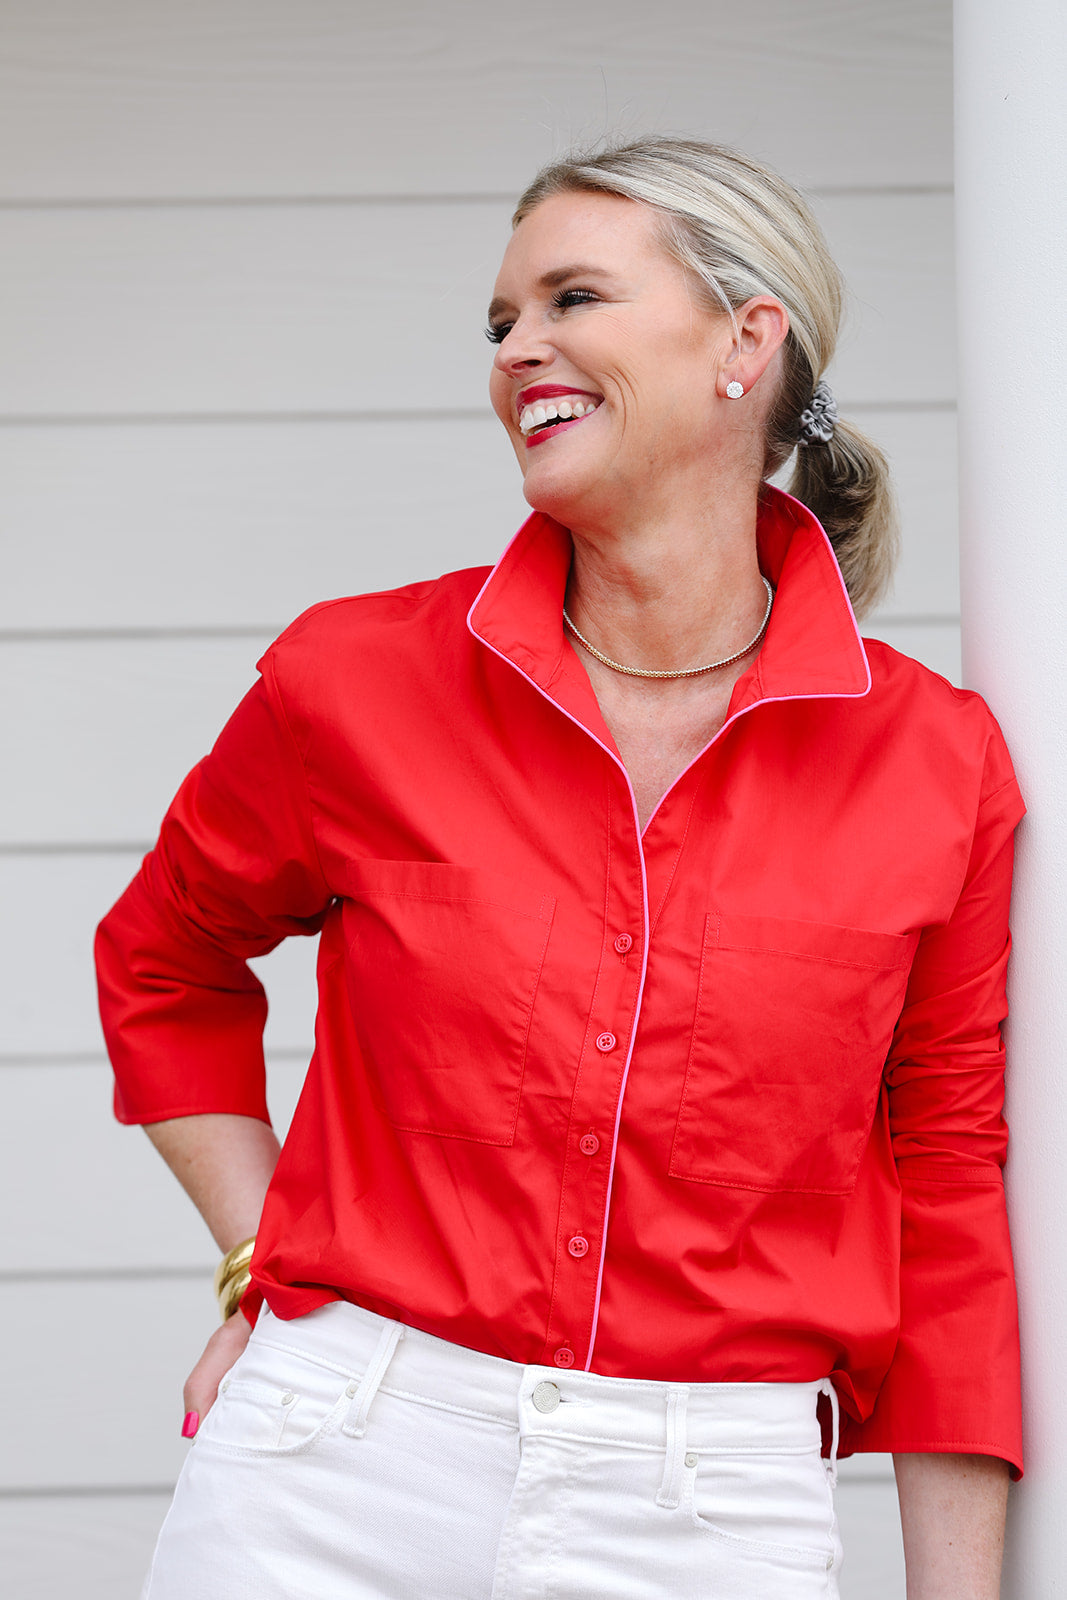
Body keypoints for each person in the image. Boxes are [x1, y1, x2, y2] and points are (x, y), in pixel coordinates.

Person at [96, 137, 1022, 1598]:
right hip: (333, 1464)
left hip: (711, 1513)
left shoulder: (936, 765)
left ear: (745, 342)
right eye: (501, 321)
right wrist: (257, 1261)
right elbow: (164, 959)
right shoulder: (354, 681)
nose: (517, 349)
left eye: (572, 298)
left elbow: (949, 1189)